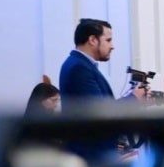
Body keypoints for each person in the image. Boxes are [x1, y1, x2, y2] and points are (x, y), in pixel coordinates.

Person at [59, 18, 148, 158]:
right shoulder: (79, 68)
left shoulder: (81, 65)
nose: (112, 46)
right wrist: (134, 98)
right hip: (91, 155)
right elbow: (100, 112)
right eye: (108, 40)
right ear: (93, 40)